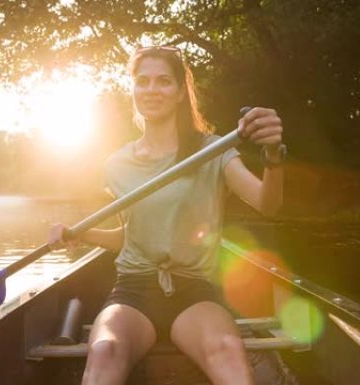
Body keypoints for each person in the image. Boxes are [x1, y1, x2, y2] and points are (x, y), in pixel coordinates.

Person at [48, 45, 285, 385]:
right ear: (133, 90)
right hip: (132, 290)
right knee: (103, 350)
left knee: (227, 349)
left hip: (195, 291)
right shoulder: (116, 164)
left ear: (179, 93)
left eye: (163, 81)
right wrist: (79, 233)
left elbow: (267, 204)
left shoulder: (213, 149)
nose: (151, 89)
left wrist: (273, 156)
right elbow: (128, 237)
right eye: (142, 81)